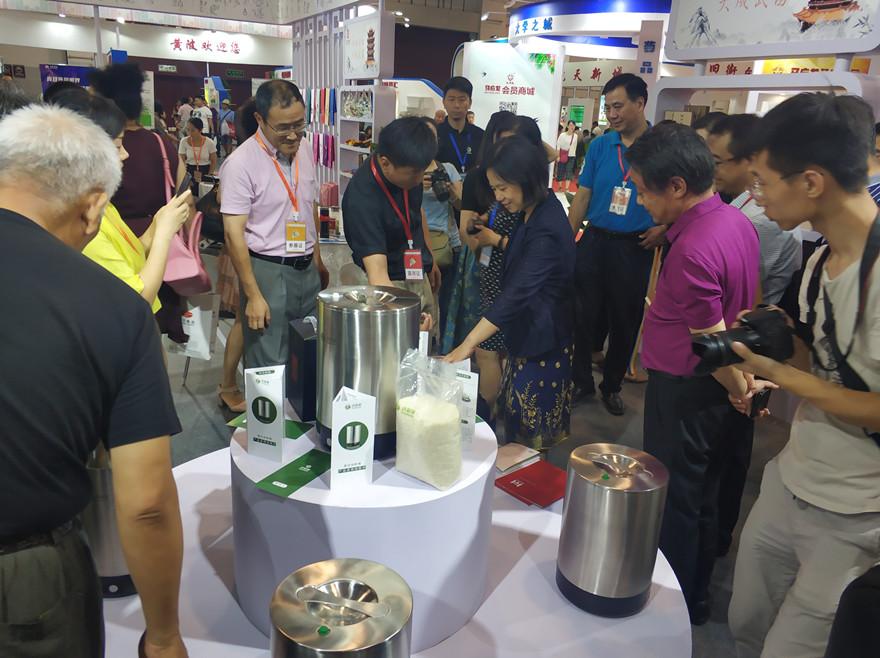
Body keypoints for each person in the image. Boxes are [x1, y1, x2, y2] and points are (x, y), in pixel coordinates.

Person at [0, 104, 187, 658]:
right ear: (94, 208)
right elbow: (147, 502)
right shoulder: (113, 307)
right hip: (26, 577)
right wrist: (163, 637)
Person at [727, 93, 880, 658]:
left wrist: (780, 374)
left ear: (811, 182)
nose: (757, 196)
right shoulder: (819, 260)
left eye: (764, 182)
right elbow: (826, 367)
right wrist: (775, 347)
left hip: (856, 513)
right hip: (791, 479)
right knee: (745, 622)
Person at [627, 122, 760, 625]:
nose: (640, 200)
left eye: (644, 190)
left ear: (677, 186)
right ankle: (698, 593)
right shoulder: (734, 220)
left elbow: (711, 343)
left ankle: (675, 604)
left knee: (678, 499)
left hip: (688, 390)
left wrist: (739, 388)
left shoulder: (693, 249)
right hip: (713, 389)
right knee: (707, 490)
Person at [445, 136, 576, 452]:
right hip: (526, 332)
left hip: (544, 341)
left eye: (503, 187)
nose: (498, 196)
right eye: (494, 188)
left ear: (527, 179)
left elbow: (517, 293)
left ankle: (531, 480)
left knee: (530, 437)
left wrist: (468, 343)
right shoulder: (530, 209)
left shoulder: (547, 225)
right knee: (516, 424)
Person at [567, 74, 667, 416]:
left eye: (618, 106)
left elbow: (680, 195)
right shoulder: (600, 145)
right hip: (594, 240)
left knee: (625, 320)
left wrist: (665, 229)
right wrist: (566, 243)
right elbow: (583, 195)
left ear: (640, 103)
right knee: (581, 315)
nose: (611, 114)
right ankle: (581, 381)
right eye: (608, 107)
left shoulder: (661, 147)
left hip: (635, 246)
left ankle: (611, 386)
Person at [53, 88, 192, 316]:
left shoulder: (101, 204)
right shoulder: (82, 222)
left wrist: (158, 224)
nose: (126, 154)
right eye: (118, 146)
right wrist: (164, 234)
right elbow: (138, 299)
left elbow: (131, 251)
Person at [220, 80, 328, 369]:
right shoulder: (240, 164)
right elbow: (233, 234)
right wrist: (253, 295)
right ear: (260, 119)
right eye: (283, 128)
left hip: (307, 269)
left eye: (299, 124)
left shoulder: (305, 148)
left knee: (308, 355)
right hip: (268, 271)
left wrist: (317, 258)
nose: (293, 135)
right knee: (270, 362)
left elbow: (309, 205)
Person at [89, 62, 189, 342]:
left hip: (135, 239)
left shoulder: (102, 205)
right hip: (155, 242)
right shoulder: (161, 143)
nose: (124, 155)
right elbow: (184, 193)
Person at [342, 117, 439, 330]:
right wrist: (407, 322)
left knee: (428, 342)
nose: (419, 179)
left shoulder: (409, 170)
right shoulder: (362, 197)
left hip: (416, 273)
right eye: (414, 174)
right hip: (387, 288)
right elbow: (377, 274)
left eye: (423, 170)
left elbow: (416, 213)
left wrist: (429, 260)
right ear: (385, 163)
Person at [707, 114, 801, 306]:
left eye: (717, 162)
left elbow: (738, 286)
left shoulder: (760, 217)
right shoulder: (743, 204)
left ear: (750, 161)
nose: (711, 170)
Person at [216, 97, 259, 412]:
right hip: (242, 252)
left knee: (245, 322)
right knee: (244, 322)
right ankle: (228, 385)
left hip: (249, 251)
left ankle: (231, 384)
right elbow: (230, 217)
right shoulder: (241, 163)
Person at [420, 117, 463, 339]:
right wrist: (416, 186)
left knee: (446, 301)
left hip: (447, 243)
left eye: (433, 137)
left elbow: (462, 205)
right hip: (418, 245)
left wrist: (451, 191)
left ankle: (443, 345)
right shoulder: (408, 172)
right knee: (423, 303)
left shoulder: (448, 169)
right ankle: (424, 342)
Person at [436, 77, 485, 176]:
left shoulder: (480, 135)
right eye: (451, 99)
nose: (457, 105)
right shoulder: (435, 134)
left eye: (462, 100)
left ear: (470, 103)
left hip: (473, 185)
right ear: (444, 102)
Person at [178, 117, 217, 194]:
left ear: (200, 130)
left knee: (204, 195)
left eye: (193, 130)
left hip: (205, 171)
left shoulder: (209, 143)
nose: (189, 133)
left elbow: (213, 161)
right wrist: (184, 175)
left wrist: (209, 175)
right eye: (188, 130)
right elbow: (181, 161)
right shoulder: (184, 141)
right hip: (190, 171)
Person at [555, 120, 579, 192]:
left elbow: (575, 146)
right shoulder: (562, 135)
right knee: (560, 170)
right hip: (562, 155)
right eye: (570, 125)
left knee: (569, 171)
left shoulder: (575, 136)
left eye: (573, 125)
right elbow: (558, 145)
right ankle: (560, 187)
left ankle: (567, 188)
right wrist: (558, 156)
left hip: (571, 156)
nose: (572, 127)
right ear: (567, 126)